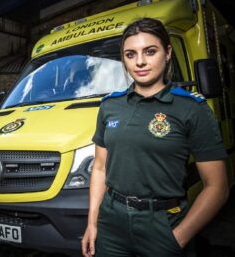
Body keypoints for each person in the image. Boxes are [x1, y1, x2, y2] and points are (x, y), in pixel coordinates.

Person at [81, 18, 229, 257]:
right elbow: (99, 168)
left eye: (150, 51)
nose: (140, 61)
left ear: (167, 52)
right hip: (112, 222)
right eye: (130, 54)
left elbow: (217, 187)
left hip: (163, 223)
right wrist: (93, 223)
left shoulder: (192, 108)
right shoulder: (110, 105)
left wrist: (177, 239)